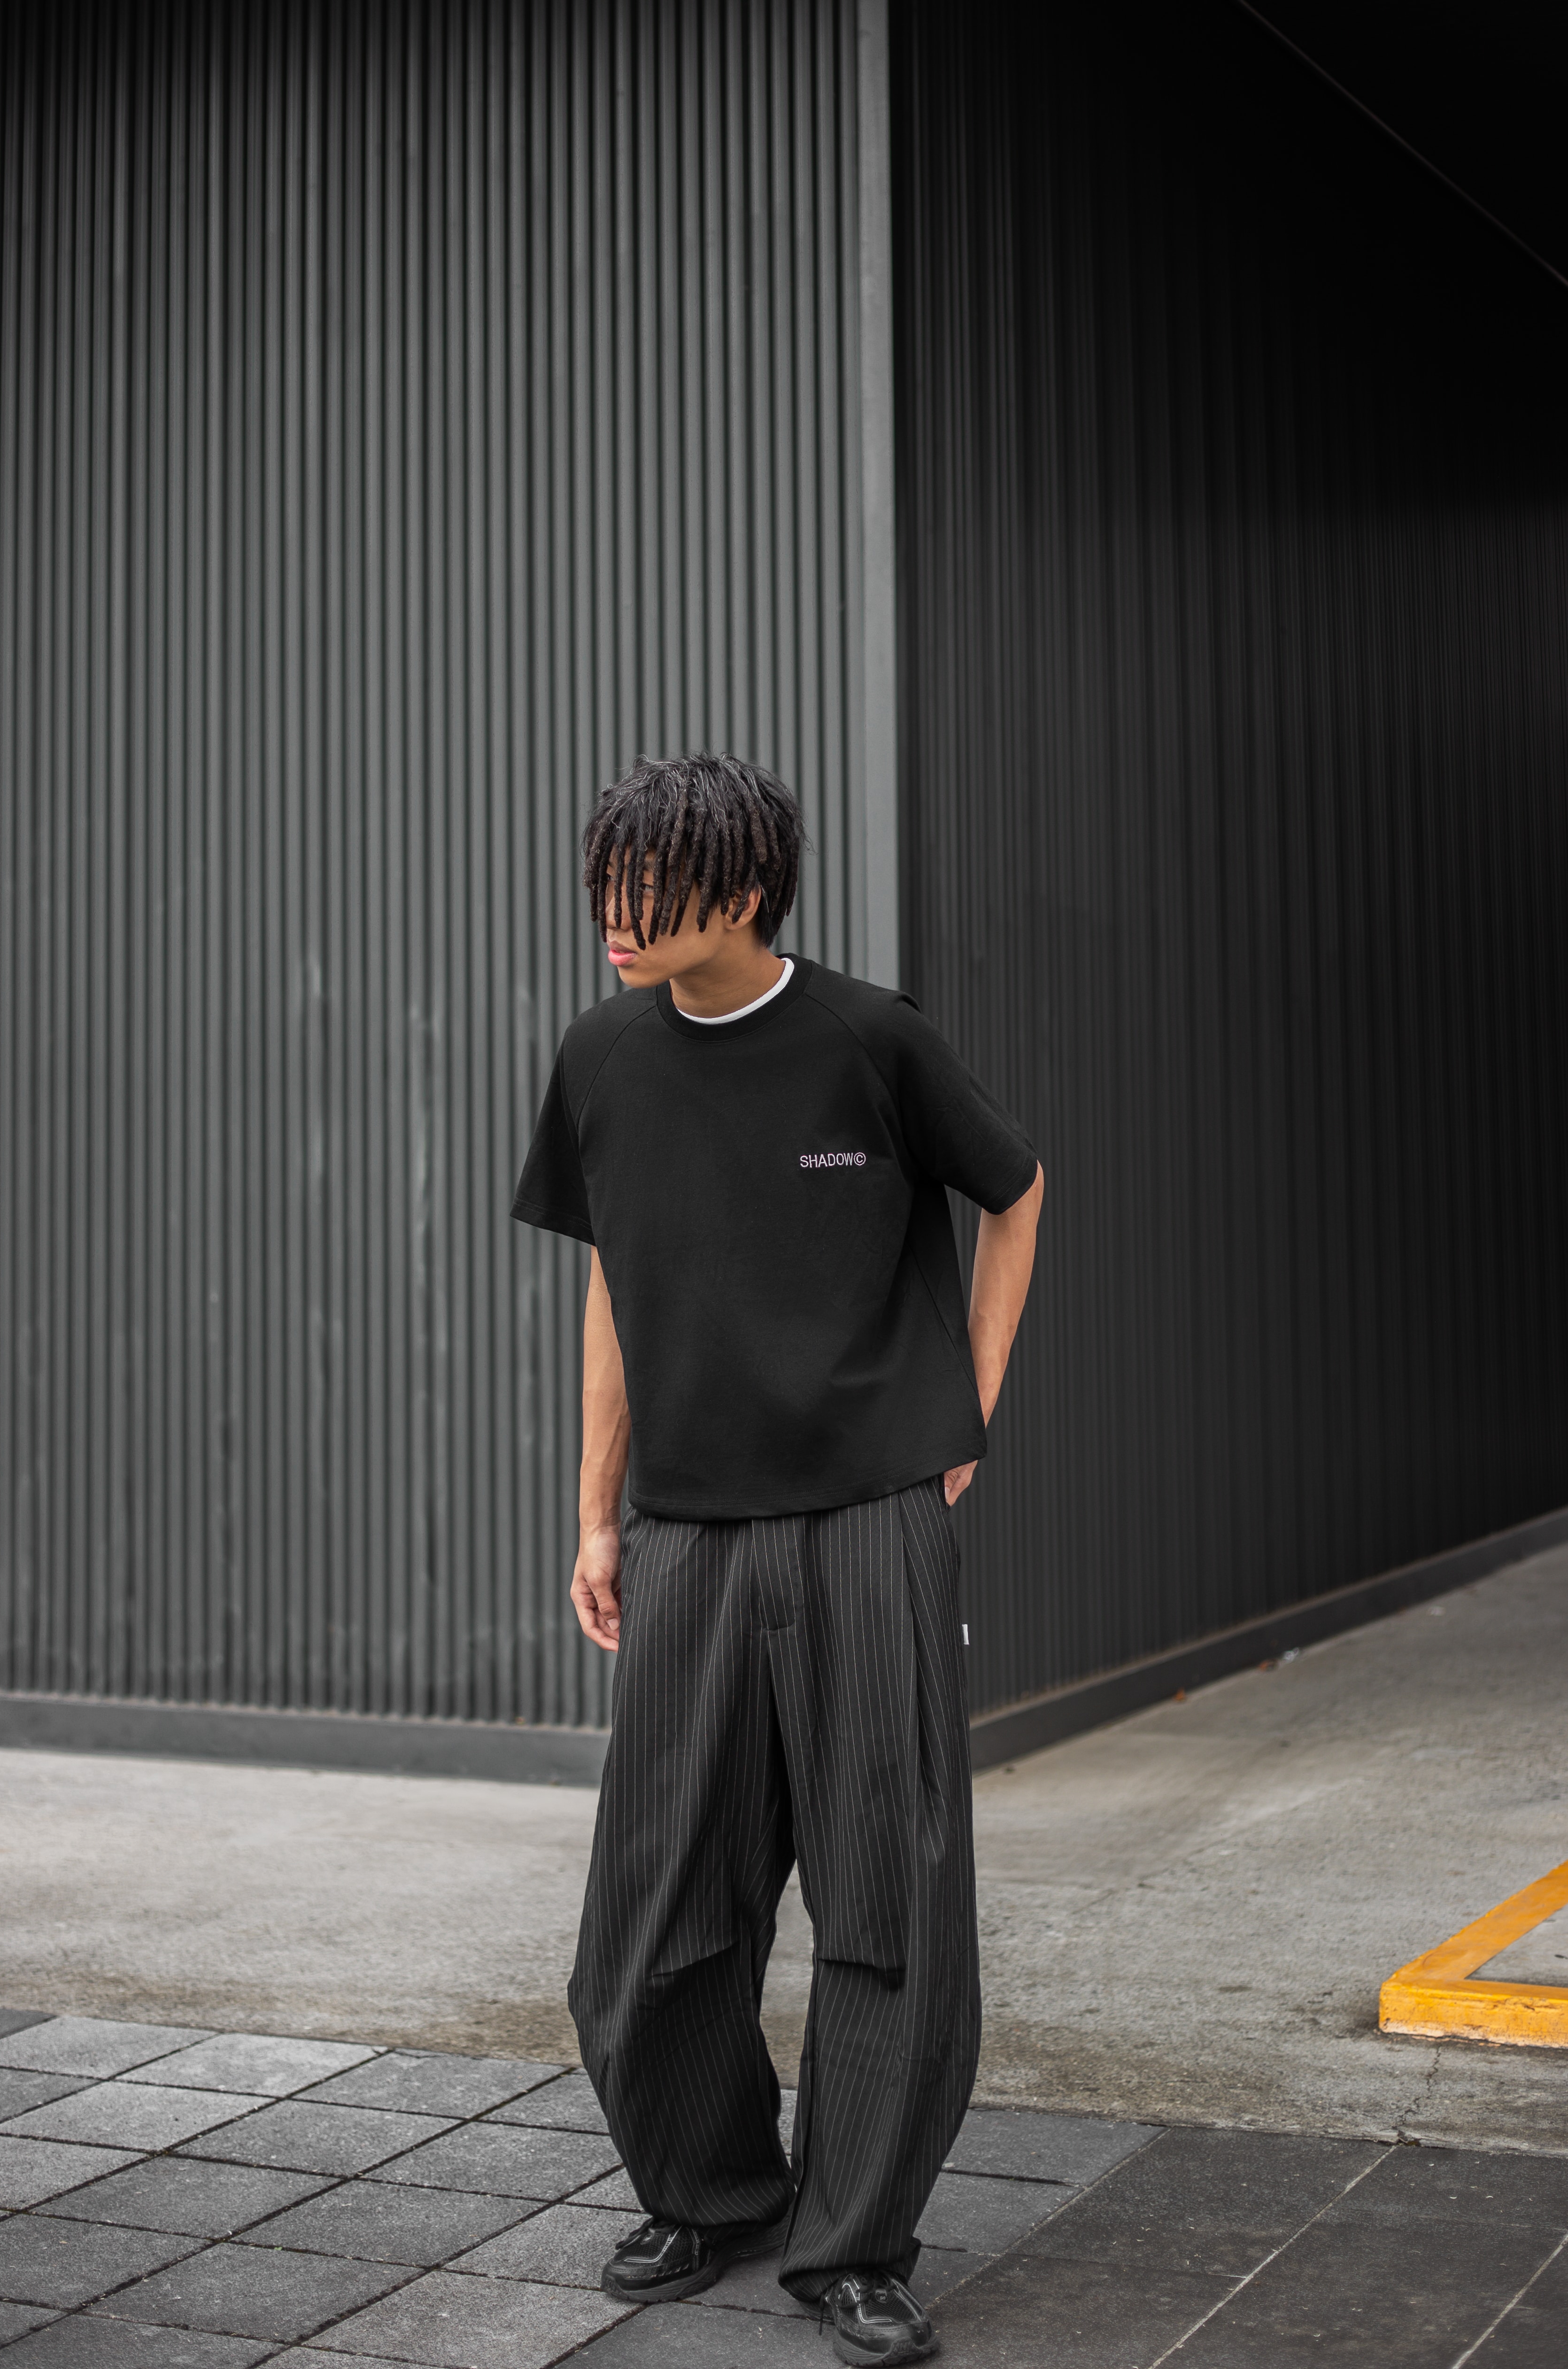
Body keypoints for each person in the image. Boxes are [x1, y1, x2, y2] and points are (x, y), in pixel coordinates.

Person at [512, 753, 1043, 2367]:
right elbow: (613, 1289)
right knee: (655, 1902)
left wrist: (965, 1410)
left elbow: (1015, 1192)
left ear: (741, 894)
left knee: (885, 1893)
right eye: (605, 884)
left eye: (648, 889)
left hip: (870, 1517)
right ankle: (712, 2190)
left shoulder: (871, 1039)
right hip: (685, 1529)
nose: (614, 917)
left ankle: (855, 2245)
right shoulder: (600, 1057)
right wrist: (595, 1509)